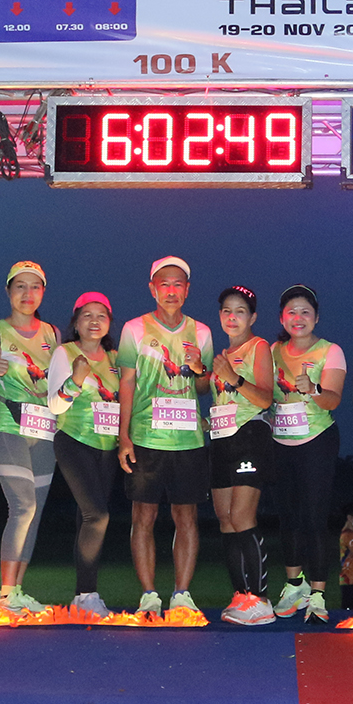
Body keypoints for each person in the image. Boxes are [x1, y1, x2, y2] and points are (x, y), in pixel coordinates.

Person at [116, 256, 213, 615]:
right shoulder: (134, 329)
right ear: (152, 289)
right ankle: (149, 595)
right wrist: (124, 436)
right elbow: (126, 383)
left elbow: (203, 387)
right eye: (164, 284)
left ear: (187, 290)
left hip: (188, 439)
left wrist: (199, 368)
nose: (171, 291)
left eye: (178, 284)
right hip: (146, 437)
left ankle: (182, 595)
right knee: (143, 517)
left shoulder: (202, 332)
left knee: (186, 517)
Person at [0, 261, 58, 615]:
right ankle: (6, 595)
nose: (27, 294)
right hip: (7, 426)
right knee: (23, 506)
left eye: (34, 286)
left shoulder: (53, 334)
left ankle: (18, 592)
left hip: (45, 433)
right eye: (20, 286)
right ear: (8, 291)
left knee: (34, 513)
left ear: (43, 292)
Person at [269, 285, 347, 623]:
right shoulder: (272, 351)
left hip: (317, 440)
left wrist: (313, 389)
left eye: (305, 312)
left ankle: (317, 594)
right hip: (280, 441)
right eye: (291, 312)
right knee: (287, 517)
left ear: (316, 317)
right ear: (281, 318)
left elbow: (333, 400)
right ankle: (294, 585)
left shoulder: (331, 351)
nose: (298, 318)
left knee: (315, 518)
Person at [47, 291, 122, 618]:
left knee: (88, 518)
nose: (94, 321)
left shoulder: (116, 358)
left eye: (101, 316)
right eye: (87, 315)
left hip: (108, 447)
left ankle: (82, 597)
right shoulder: (65, 353)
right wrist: (76, 380)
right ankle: (88, 594)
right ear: (75, 322)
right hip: (74, 440)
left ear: (109, 323)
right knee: (98, 516)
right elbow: (54, 405)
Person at [210, 285, 277, 625]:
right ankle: (241, 595)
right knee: (224, 518)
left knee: (241, 515)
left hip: (250, 435)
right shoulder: (221, 355)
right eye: (226, 310)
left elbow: (265, 398)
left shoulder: (258, 347)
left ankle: (261, 599)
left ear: (252, 317)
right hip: (221, 439)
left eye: (240, 311)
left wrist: (233, 378)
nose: (232, 317)